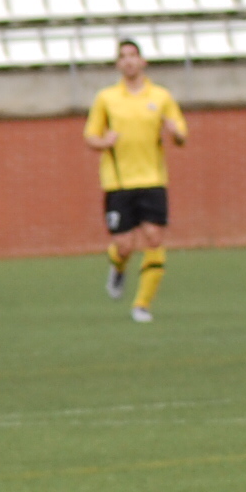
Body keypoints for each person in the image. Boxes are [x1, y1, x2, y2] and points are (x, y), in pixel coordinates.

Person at [85, 39, 186, 323]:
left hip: (153, 179)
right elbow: (90, 136)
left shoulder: (161, 96)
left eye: (133, 55)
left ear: (143, 61)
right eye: (123, 57)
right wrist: (103, 141)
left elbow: (181, 135)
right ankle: (118, 268)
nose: (128, 61)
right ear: (118, 64)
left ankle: (141, 305)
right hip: (118, 182)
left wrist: (174, 132)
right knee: (125, 245)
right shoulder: (107, 98)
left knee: (154, 238)